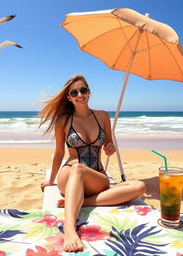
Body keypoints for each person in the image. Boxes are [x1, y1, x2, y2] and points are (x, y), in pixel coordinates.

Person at [39, 75, 146, 252]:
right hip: (70, 174)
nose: (79, 94)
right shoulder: (63, 120)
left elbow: (109, 144)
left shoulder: (102, 116)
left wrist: (110, 148)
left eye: (83, 90)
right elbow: (59, 153)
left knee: (139, 186)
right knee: (78, 169)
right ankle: (69, 228)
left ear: (89, 92)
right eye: (74, 92)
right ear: (69, 97)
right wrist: (50, 181)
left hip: (97, 178)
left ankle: (83, 202)